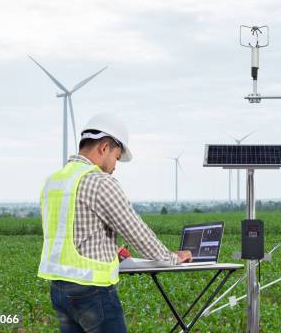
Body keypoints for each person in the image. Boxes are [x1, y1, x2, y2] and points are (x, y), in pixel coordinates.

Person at [37, 113, 192, 332]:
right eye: (116, 157)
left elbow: (66, 231)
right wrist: (171, 258)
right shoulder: (99, 181)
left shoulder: (53, 181)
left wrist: (110, 249)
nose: (115, 166)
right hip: (91, 291)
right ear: (104, 147)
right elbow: (136, 232)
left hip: (60, 290)